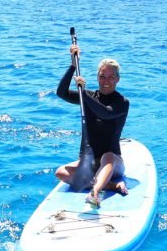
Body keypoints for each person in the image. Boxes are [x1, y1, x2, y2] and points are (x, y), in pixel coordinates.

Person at [55, 43, 129, 207]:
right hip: (90, 162)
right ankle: (111, 185)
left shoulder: (122, 102)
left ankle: (95, 193)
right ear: (97, 77)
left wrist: (83, 94)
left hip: (113, 163)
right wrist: (73, 66)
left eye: (111, 77)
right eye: (102, 76)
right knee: (60, 172)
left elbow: (105, 113)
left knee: (107, 156)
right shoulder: (87, 96)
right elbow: (61, 93)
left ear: (117, 79)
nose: (106, 81)